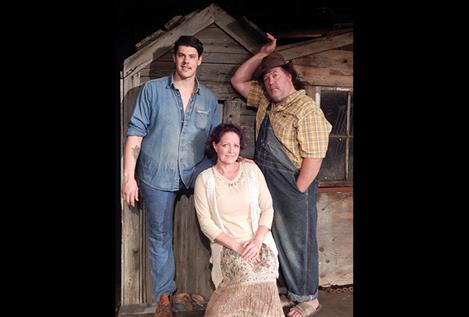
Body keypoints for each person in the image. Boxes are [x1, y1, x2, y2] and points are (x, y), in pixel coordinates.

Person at [230, 33, 332, 317]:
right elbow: (238, 80)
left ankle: (309, 298)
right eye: (266, 78)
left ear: (289, 76)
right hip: (269, 183)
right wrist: (262, 55)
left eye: (275, 75)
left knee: (298, 240)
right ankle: (290, 292)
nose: (270, 82)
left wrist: (298, 189)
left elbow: (315, 156)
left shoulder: (306, 109)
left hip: (294, 183)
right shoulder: (265, 99)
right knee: (276, 238)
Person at [122, 35, 221, 317]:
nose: (186, 61)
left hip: (195, 173)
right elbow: (135, 134)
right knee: (159, 235)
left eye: (192, 56)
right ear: (175, 58)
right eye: (181, 55)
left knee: (208, 229)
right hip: (157, 174)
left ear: (199, 60)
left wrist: (234, 159)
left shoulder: (209, 99)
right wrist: (129, 177)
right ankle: (164, 296)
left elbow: (216, 141)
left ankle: (208, 291)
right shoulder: (152, 91)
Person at [194, 123, 284, 317]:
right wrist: (238, 247)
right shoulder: (205, 180)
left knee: (265, 276)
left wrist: (257, 241)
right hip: (229, 247)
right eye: (226, 145)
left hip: (259, 243)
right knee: (246, 273)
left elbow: (267, 208)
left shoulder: (252, 171)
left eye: (236, 145)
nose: (231, 150)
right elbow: (205, 223)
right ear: (215, 146)